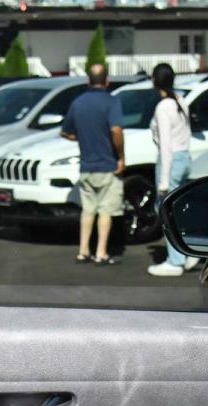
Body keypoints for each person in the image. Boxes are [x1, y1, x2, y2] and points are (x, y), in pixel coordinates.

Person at [61, 64, 125, 265]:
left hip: (86, 165)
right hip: (107, 164)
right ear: (107, 80)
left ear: (88, 81)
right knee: (105, 210)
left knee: (87, 210)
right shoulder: (112, 102)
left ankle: (83, 250)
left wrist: (79, 137)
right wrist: (121, 157)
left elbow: (65, 131)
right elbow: (116, 130)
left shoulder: (78, 102)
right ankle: (101, 252)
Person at [147, 62, 197, 278]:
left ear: (154, 81)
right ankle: (191, 249)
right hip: (184, 157)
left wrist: (164, 180)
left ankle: (176, 260)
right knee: (180, 210)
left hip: (171, 160)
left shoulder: (163, 107)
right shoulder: (180, 100)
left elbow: (165, 144)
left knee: (167, 211)